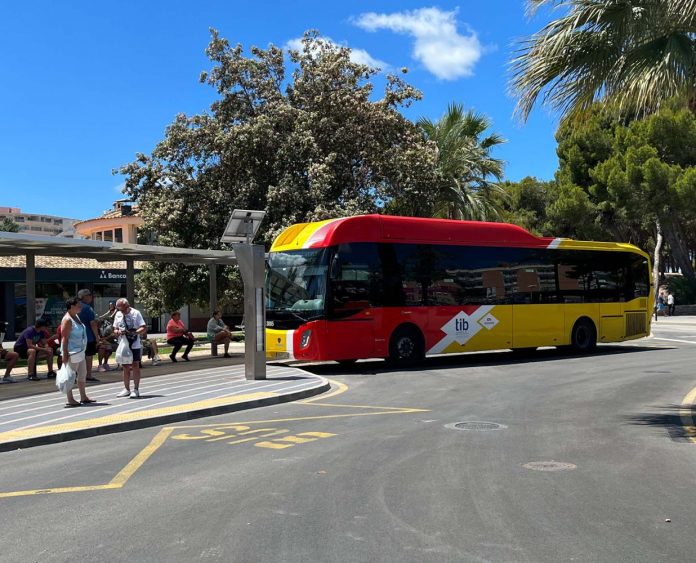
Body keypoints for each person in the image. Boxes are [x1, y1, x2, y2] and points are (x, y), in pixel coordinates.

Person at [60, 297, 94, 407]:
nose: (81, 307)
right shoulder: (67, 320)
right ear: (71, 306)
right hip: (72, 352)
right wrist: (65, 354)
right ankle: (70, 399)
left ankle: (83, 396)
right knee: (70, 376)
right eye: (78, 305)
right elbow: (64, 338)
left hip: (80, 351)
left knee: (82, 374)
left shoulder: (77, 316)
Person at [112, 298, 147, 399]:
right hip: (123, 343)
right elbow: (115, 328)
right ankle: (126, 389)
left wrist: (134, 332)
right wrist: (116, 332)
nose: (121, 311)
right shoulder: (118, 314)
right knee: (125, 366)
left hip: (134, 343)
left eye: (122, 309)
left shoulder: (136, 313)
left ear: (127, 306)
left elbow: (143, 327)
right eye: (119, 309)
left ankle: (136, 389)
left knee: (135, 364)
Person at [77, 289, 100, 382]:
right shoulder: (87, 308)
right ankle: (88, 375)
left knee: (77, 356)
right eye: (89, 295)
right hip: (88, 336)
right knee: (88, 356)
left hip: (76, 336)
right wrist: (97, 337)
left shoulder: (75, 307)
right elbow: (93, 323)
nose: (91, 297)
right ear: (84, 297)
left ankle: (78, 374)